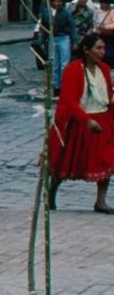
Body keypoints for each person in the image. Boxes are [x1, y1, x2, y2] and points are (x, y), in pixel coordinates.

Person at [48, 31, 114, 214]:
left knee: (107, 160)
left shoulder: (105, 70)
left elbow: (108, 96)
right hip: (80, 122)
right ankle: (51, 191)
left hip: (103, 120)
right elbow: (69, 101)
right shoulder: (73, 69)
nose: (102, 52)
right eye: (98, 48)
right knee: (64, 162)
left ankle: (100, 201)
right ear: (86, 50)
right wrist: (87, 120)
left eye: (103, 48)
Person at [95, 0, 114, 68]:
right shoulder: (97, 12)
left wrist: (105, 27)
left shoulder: (112, 12)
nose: (102, 5)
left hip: (109, 36)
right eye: (101, 3)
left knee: (109, 55)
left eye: (104, 3)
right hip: (100, 35)